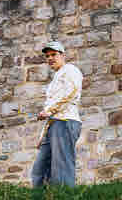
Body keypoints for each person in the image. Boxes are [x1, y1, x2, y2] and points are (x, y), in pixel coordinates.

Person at [30, 40, 83, 188]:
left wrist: (49, 111)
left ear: (62, 55)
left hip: (65, 122)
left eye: (54, 54)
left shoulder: (71, 70)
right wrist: (45, 118)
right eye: (47, 56)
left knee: (62, 166)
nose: (50, 58)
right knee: (40, 168)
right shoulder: (56, 77)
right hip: (53, 125)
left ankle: (64, 197)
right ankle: (39, 198)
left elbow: (71, 93)